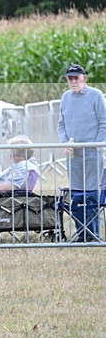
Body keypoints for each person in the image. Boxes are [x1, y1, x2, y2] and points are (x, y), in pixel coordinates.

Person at [57, 64, 106, 241]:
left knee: (92, 194)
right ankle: (82, 234)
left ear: (84, 78)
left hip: (93, 153)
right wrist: (64, 142)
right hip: (73, 155)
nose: (73, 81)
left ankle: (94, 234)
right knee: (77, 195)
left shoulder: (96, 96)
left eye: (76, 77)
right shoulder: (65, 98)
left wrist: (95, 145)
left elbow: (104, 123)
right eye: (70, 78)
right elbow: (61, 124)